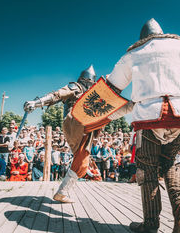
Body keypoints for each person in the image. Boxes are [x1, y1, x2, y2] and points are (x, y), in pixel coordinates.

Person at [105, 18, 180, 233]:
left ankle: (151, 223)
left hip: (149, 116)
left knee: (148, 169)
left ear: (143, 37)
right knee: (171, 164)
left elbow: (112, 86)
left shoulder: (133, 54)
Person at [24, 65, 130, 202]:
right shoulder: (76, 87)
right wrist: (37, 102)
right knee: (114, 113)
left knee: (82, 162)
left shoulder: (92, 95)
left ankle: (62, 192)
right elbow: (57, 94)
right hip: (76, 122)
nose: (90, 84)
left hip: (86, 127)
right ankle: (134, 105)